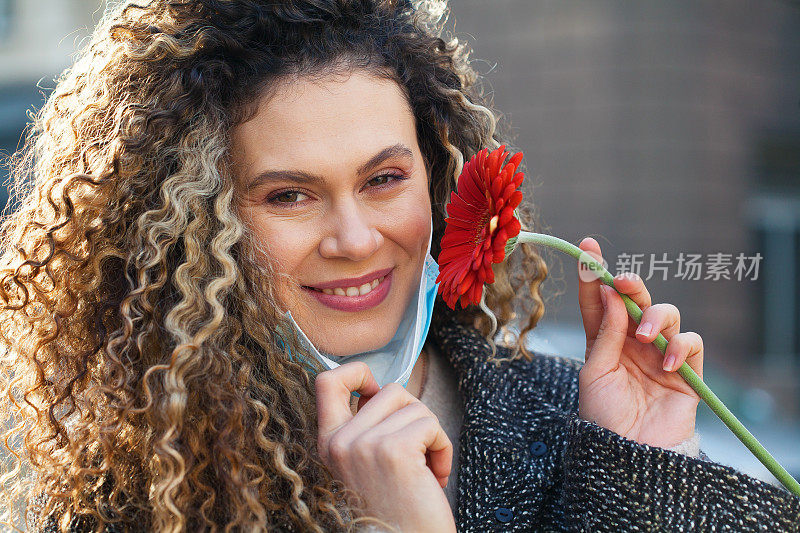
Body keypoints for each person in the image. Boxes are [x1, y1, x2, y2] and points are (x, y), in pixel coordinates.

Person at [0, 0, 797, 531]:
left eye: (384, 179)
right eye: (289, 195)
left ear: (437, 174)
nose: (354, 237)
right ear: (193, 229)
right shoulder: (138, 494)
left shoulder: (577, 418)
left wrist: (643, 467)